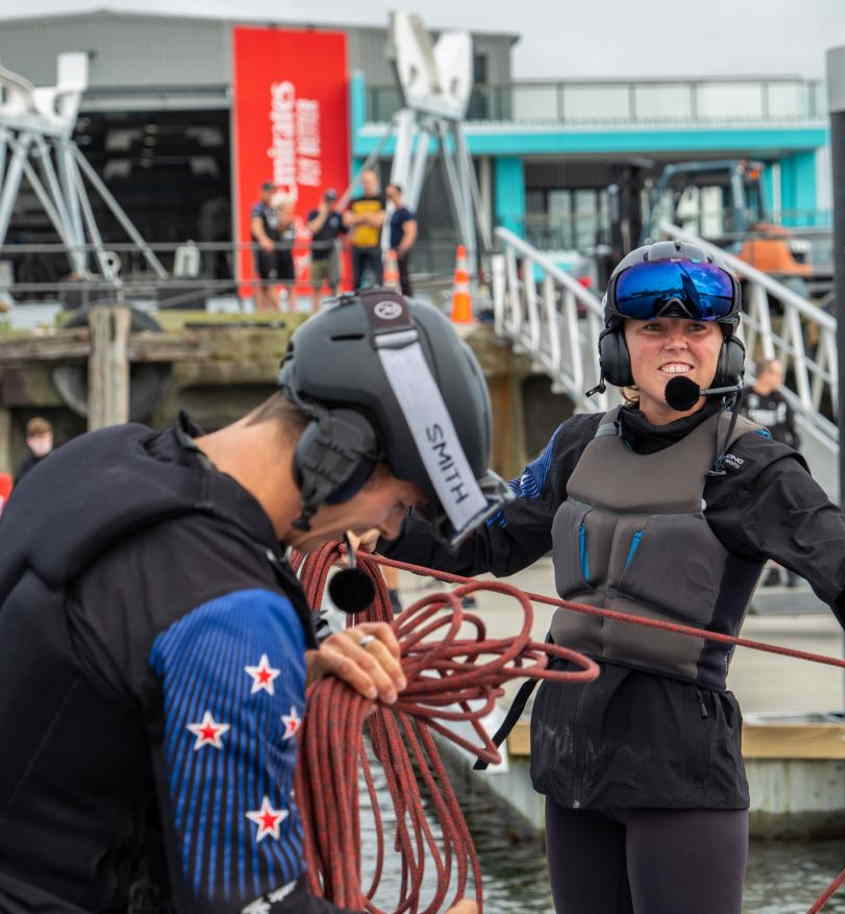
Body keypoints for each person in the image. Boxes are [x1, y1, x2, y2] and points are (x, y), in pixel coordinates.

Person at [380, 241, 845, 914]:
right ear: (619, 348)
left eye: (696, 330)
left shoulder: (752, 467)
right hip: (570, 751)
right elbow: (484, 546)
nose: (677, 346)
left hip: (678, 762)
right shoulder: (578, 445)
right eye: (653, 329)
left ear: (723, 347)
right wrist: (382, 527)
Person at [0, 289, 506, 914]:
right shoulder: (234, 616)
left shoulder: (102, 460)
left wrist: (297, 662)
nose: (394, 532)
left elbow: (111, 649)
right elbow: (246, 904)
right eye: (401, 504)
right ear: (339, 456)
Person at [742, 358, 800, 586]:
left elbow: (793, 436)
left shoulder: (781, 401)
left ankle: (787, 573)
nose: (780, 379)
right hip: (749, 473)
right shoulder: (744, 398)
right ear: (765, 375)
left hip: (778, 472)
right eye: (776, 373)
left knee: (784, 519)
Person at [343, 170, 386, 292]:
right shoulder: (355, 201)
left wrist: (358, 218)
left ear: (375, 182)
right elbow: (347, 220)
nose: (366, 184)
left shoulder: (381, 200)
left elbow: (378, 221)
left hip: (374, 245)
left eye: (369, 182)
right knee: (356, 280)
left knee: (378, 280)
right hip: (357, 245)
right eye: (364, 182)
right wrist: (369, 216)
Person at [307, 188, 346, 308]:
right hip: (317, 256)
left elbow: (344, 233)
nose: (330, 204)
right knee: (316, 287)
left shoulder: (337, 216)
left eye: (332, 201)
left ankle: (336, 310)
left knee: (335, 284)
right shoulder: (314, 213)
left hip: (332, 256)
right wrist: (322, 214)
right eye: (328, 201)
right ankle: (314, 312)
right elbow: (313, 228)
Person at [250, 181, 280, 311]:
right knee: (264, 282)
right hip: (263, 250)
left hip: (272, 251)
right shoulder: (258, 208)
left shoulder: (273, 210)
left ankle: (270, 311)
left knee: (269, 282)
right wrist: (264, 240)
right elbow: (255, 227)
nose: (270, 195)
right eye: (268, 192)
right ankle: (267, 311)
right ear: (262, 192)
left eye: (272, 192)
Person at [385, 183, 418, 297]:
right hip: (394, 250)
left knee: (404, 278)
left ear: (398, 194)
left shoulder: (405, 212)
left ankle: (409, 300)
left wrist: (402, 249)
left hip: (400, 250)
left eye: (392, 194)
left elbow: (411, 232)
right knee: (394, 278)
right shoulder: (394, 212)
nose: (389, 196)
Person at [271, 193, 298, 312]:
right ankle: (279, 311)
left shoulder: (291, 222)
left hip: (288, 256)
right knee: (273, 285)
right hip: (276, 256)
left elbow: (292, 238)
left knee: (290, 285)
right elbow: (278, 227)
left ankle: (292, 310)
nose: (290, 211)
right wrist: (283, 218)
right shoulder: (276, 220)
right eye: (288, 208)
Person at [13, 415, 53, 488]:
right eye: (37, 439)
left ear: (50, 437)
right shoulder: (25, 468)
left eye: (44, 438)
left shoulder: (57, 460)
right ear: (29, 441)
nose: (41, 443)